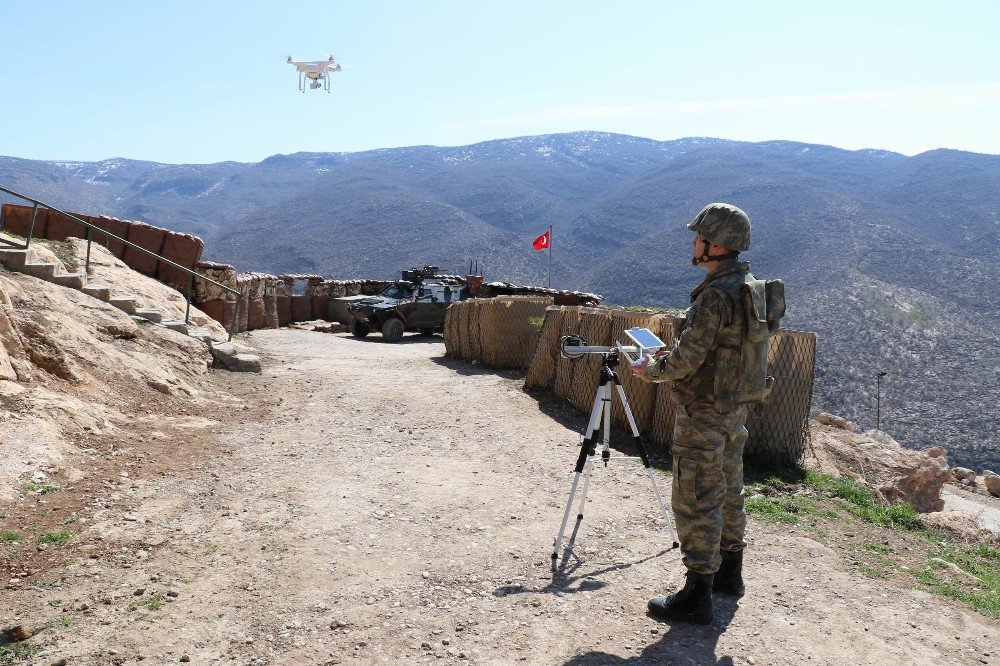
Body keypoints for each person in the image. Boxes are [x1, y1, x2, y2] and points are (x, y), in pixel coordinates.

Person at [631, 202, 771, 625]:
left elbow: (688, 359)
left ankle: (696, 594)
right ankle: (730, 575)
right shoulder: (751, 287)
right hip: (734, 408)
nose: (693, 242)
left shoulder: (715, 296)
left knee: (696, 497)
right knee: (730, 487)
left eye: (698, 237)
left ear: (715, 244)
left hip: (703, 411)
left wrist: (651, 369)